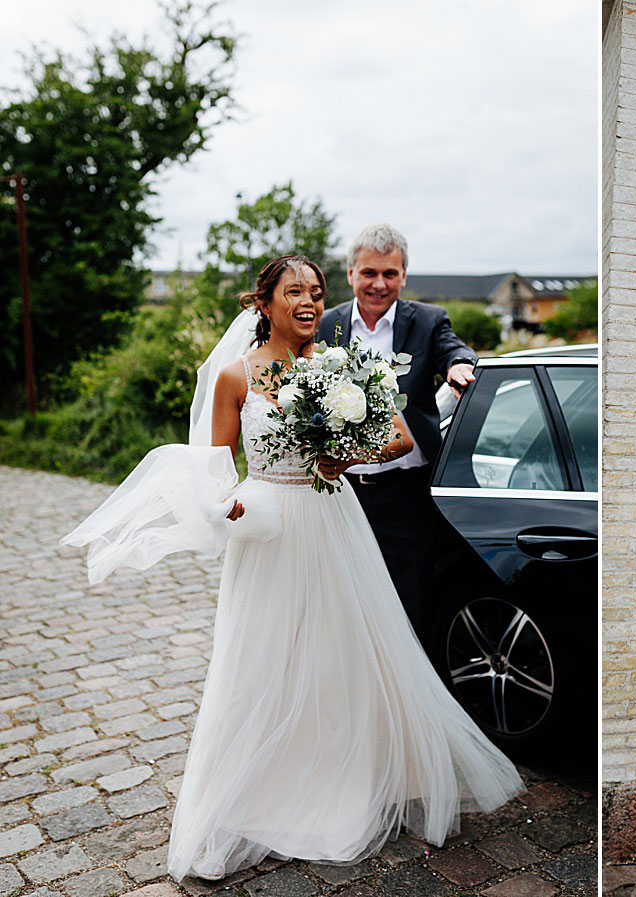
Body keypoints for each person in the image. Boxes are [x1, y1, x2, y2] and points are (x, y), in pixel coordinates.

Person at [63, 256, 523, 882]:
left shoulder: (344, 366)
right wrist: (231, 506)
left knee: (339, 652)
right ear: (265, 303)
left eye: (316, 292)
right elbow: (215, 468)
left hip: (333, 520)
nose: (309, 301)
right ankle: (255, 790)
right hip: (269, 529)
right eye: (294, 291)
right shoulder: (234, 377)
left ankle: (342, 774)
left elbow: (399, 440)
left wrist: (341, 452)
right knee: (263, 657)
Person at [316, 224, 477, 641]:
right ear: (351, 273)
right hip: (341, 493)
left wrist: (459, 363)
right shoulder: (325, 324)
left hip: (408, 493)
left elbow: (453, 348)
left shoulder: (427, 320)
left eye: (390, 273)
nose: (379, 284)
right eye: (369, 273)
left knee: (410, 601)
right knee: (343, 597)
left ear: (404, 276)